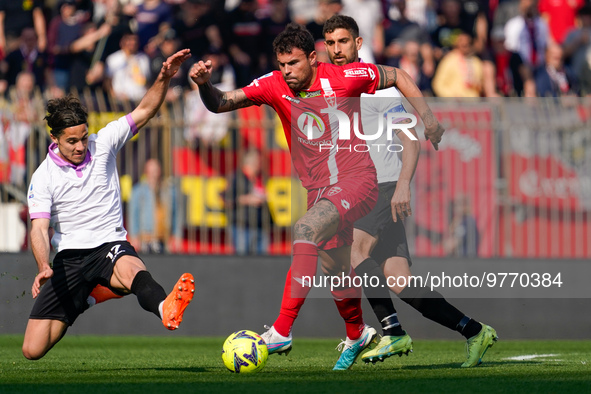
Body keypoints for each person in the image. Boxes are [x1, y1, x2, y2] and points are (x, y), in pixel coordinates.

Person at [190, 22, 444, 370]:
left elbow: (397, 74)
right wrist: (205, 84)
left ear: (312, 57)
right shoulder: (272, 84)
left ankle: (281, 330)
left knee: (306, 230)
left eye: (293, 63)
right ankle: (357, 333)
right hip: (320, 190)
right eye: (282, 65)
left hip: (358, 180)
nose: (287, 72)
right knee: (336, 269)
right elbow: (220, 103)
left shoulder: (346, 76)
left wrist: (427, 119)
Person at [322, 15, 497, 368]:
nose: (337, 49)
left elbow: (410, 139)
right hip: (361, 189)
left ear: (358, 44)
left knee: (352, 254)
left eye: (343, 42)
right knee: (400, 282)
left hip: (382, 185)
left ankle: (392, 331)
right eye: (330, 43)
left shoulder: (377, 86)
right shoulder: (329, 88)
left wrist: (403, 186)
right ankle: (475, 331)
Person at [23, 48, 194, 361]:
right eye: (71, 141)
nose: (79, 146)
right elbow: (39, 228)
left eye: (83, 138)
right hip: (69, 259)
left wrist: (163, 78)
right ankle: (86, 299)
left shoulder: (104, 142)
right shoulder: (43, 176)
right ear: (55, 137)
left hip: (109, 245)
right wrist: (44, 266)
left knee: (131, 269)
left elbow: (144, 110)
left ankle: (164, 307)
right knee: (32, 350)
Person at [128, 158, 183, 254]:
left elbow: (176, 214)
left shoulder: (169, 191)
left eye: (156, 170)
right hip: (145, 239)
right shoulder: (138, 191)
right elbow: (133, 215)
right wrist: (134, 236)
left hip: (164, 239)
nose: (154, 174)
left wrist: (177, 235)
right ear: (146, 172)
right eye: (151, 171)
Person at [229, 149, 270, 255]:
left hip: (260, 225)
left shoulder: (259, 177)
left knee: (261, 261)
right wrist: (249, 199)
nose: (259, 164)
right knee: (243, 260)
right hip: (242, 225)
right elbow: (228, 198)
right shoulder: (237, 177)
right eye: (257, 161)